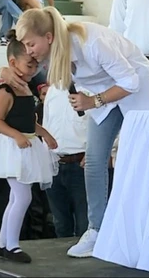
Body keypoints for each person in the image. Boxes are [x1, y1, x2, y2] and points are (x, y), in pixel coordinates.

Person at [14, 6, 149, 258]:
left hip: (136, 91)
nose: (29, 51)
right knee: (94, 161)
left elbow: (130, 82)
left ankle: (148, 230)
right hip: (105, 97)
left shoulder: (92, 42)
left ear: (48, 37)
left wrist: (93, 102)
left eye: (30, 44)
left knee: (139, 162)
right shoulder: (52, 52)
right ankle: (97, 230)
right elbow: (18, 68)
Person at [0, 29, 58, 263]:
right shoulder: (5, 90)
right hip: (13, 148)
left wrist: (44, 134)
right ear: (13, 62)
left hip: (27, 145)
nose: (33, 70)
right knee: (22, 197)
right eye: (29, 65)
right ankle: (11, 245)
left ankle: (3, 243)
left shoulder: (27, 88)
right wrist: (16, 136)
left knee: (18, 197)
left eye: (35, 66)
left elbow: (28, 119)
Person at [43, 85, 88, 238]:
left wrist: (95, 153)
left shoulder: (90, 87)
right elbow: (46, 123)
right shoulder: (52, 90)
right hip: (54, 162)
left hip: (82, 163)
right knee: (60, 223)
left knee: (85, 224)